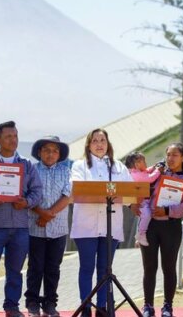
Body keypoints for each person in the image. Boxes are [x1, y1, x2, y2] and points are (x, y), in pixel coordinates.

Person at [0, 121, 43, 317]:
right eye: (8, 137)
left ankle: (12, 307)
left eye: (15, 136)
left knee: (15, 271)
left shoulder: (27, 164)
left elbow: (37, 191)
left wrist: (27, 202)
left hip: (20, 227)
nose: (13, 140)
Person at [70, 128, 133, 317]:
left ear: (108, 143)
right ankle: (86, 307)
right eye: (95, 140)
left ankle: (102, 307)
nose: (99, 144)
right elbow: (77, 189)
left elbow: (130, 194)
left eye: (103, 140)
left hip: (110, 224)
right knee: (87, 267)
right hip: (86, 225)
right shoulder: (79, 165)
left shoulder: (119, 167)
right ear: (89, 144)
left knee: (105, 269)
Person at [138, 143, 183, 317]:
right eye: (168, 154)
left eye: (175, 155)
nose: (170, 159)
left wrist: (168, 211)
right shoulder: (156, 175)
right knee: (149, 267)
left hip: (171, 226)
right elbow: (141, 190)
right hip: (150, 225)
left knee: (168, 267)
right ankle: (148, 305)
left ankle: (167, 306)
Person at [24, 136, 72, 317]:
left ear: (59, 154)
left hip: (58, 228)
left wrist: (49, 215)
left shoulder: (67, 171)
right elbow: (26, 194)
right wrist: (41, 214)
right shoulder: (32, 170)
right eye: (46, 150)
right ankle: (32, 303)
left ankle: (50, 303)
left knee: (53, 268)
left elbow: (67, 196)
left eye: (54, 150)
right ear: (39, 152)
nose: (50, 154)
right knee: (35, 267)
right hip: (35, 226)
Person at [124, 151, 164, 247]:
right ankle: (141, 234)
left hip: (143, 200)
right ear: (137, 165)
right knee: (146, 215)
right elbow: (150, 178)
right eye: (144, 161)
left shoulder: (136, 172)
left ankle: (140, 233)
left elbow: (146, 171)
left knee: (144, 215)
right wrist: (158, 170)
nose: (146, 163)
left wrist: (153, 167)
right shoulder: (137, 175)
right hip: (141, 202)